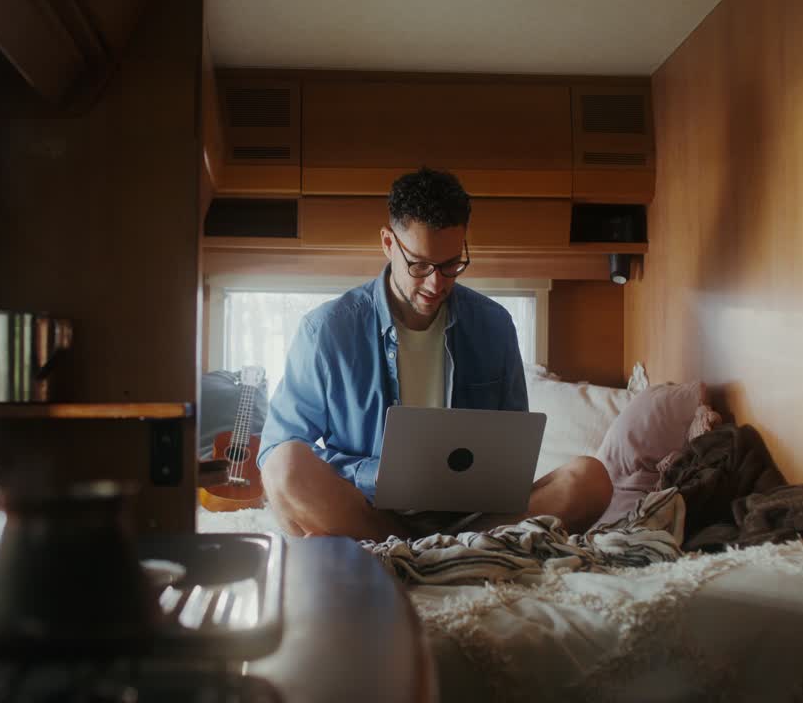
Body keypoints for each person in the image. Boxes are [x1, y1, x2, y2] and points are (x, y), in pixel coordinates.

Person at [257, 168, 613, 540]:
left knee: (590, 480)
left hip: (474, 517)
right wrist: (375, 473)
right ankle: (434, 552)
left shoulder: (494, 325)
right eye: (420, 265)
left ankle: (431, 554)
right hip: (367, 511)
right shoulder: (326, 330)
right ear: (388, 243)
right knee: (285, 467)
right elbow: (275, 450)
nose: (436, 283)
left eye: (450, 265)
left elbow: (513, 453)